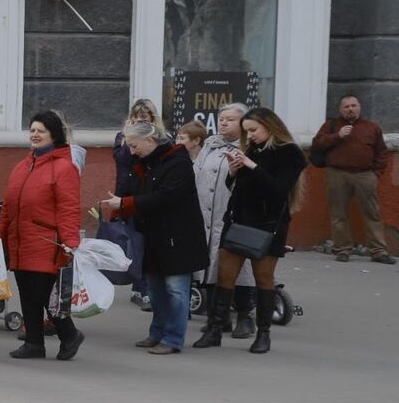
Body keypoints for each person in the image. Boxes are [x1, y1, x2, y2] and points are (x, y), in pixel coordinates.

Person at [197, 107, 308, 354]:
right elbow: (237, 187)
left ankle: (263, 334)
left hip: (268, 225)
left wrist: (251, 165)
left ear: (271, 126)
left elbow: (279, 190)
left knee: (263, 279)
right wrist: (234, 172)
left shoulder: (290, 153)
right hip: (238, 220)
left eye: (254, 130)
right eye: (247, 132)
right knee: (224, 275)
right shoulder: (252, 149)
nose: (251, 136)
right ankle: (215, 329)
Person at [98, 119, 208, 355]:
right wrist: (121, 204)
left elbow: (165, 197)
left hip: (178, 237)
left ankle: (173, 338)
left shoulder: (178, 162)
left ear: (150, 140)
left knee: (176, 290)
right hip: (152, 235)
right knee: (155, 289)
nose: (131, 150)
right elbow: (133, 187)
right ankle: (157, 332)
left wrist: (125, 203)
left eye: (134, 145)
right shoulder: (143, 162)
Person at [0, 111, 85, 362]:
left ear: (54, 135)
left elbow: (68, 207)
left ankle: (69, 335)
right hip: (20, 240)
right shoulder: (23, 165)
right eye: (32, 130)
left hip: (46, 241)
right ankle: (34, 343)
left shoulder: (64, 167)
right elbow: (9, 205)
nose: (35, 135)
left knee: (45, 294)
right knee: (27, 292)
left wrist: (70, 244)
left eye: (41, 131)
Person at [189, 104, 258, 339]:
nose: (223, 123)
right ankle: (218, 318)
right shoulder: (210, 144)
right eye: (221, 119)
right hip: (206, 215)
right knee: (210, 264)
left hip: (234, 215)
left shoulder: (250, 147)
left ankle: (245, 317)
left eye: (230, 119)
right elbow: (197, 172)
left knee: (240, 265)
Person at [312, 94, 391, 263]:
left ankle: (378, 251)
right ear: (340, 109)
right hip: (337, 173)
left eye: (353, 105)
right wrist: (337, 136)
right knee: (339, 213)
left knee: (372, 213)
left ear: (359, 107)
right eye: (346, 106)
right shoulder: (331, 125)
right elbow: (317, 144)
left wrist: (375, 174)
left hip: (365, 174)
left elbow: (381, 152)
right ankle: (342, 249)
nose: (350, 109)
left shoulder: (372, 127)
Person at [111, 99, 161, 309]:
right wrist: (129, 136)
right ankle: (140, 288)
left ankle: (144, 288)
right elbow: (122, 158)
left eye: (145, 118)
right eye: (137, 117)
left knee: (148, 241)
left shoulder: (157, 138)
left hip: (148, 194)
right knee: (136, 241)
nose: (141, 120)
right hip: (127, 194)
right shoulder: (123, 137)